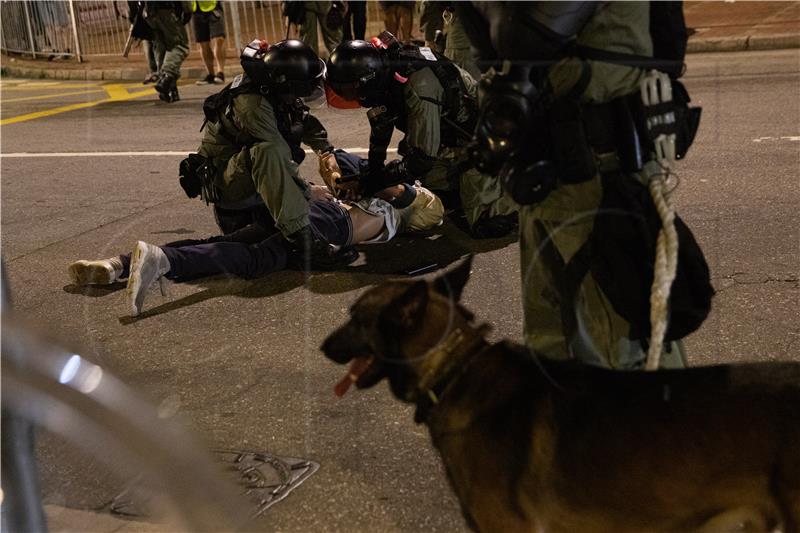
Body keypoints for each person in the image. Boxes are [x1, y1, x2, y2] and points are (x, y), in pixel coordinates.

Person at [455, 2, 710, 369]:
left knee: (621, 353)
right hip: (545, 167)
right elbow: (493, 51)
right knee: (553, 357)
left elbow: (521, 35)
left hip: (599, 170)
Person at [68, 151, 445, 316]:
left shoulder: (402, 209)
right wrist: (341, 177)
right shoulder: (380, 205)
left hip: (329, 220)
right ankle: (159, 259)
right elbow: (337, 159)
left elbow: (410, 197)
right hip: (326, 219)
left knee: (232, 244)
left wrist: (379, 181)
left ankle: (120, 263)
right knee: (252, 259)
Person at [184, 38, 356, 269]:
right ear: (286, 84)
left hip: (249, 180)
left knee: (282, 164)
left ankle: (285, 224)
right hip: (233, 194)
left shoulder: (273, 90)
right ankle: (306, 245)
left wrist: (326, 152)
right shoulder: (253, 104)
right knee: (271, 151)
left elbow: (301, 122)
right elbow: (276, 158)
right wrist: (307, 191)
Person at [325, 35, 519, 239]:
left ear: (364, 80)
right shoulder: (386, 72)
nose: (347, 96)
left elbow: (421, 160)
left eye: (347, 89)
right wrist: (374, 173)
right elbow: (382, 127)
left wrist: (378, 181)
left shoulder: (419, 85)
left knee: (487, 223)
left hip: (484, 144)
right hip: (452, 141)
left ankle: (521, 192)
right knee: (435, 192)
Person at [143, 1, 192, 102]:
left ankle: (168, 89)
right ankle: (167, 76)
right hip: (167, 10)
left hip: (149, 12)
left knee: (162, 48)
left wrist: (133, 14)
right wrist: (187, 9)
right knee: (180, 46)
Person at [192, 0, 227, 85]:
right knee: (203, 44)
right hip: (197, 9)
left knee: (219, 38)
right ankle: (210, 74)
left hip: (213, 7)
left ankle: (220, 72)